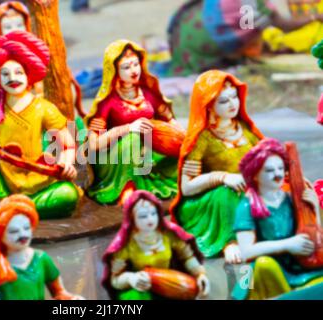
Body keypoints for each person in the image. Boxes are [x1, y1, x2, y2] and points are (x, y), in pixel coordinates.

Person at [0, 30, 80, 222]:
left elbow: (68, 145)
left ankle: (9, 212)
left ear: (29, 74)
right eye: (5, 74)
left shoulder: (43, 108)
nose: (13, 78)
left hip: (40, 183)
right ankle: (1, 203)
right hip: (6, 186)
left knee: (68, 194)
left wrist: (67, 162)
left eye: (18, 72)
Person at [169, 70, 263, 263]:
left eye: (234, 97)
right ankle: (230, 241)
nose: (232, 104)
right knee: (227, 191)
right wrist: (222, 177)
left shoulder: (245, 130)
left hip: (247, 193)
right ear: (209, 105)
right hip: (211, 204)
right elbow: (187, 188)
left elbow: (266, 157)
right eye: (223, 101)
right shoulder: (202, 139)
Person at [85, 40, 185, 205]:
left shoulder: (149, 93)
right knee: (133, 138)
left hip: (149, 154)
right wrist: (128, 128)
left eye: (136, 64)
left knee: (184, 150)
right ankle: (127, 188)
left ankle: (156, 180)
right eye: (126, 67)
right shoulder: (107, 102)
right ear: (115, 71)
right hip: (116, 160)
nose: (133, 71)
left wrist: (185, 139)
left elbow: (169, 121)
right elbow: (94, 144)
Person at [232, 138, 323, 300]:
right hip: (266, 267)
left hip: (296, 266)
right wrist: (288, 245)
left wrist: (314, 208)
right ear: (255, 175)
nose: (278, 174)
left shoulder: (290, 200)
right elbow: (246, 252)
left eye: (281, 168)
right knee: (264, 265)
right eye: (269, 170)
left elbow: (315, 239)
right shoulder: (247, 206)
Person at [102, 190, 210, 300]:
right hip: (143, 287)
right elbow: (115, 280)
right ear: (132, 218)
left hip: (169, 284)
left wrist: (200, 274)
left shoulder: (168, 234)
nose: (150, 219)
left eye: (153, 213)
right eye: (143, 216)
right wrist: (130, 278)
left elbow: (187, 257)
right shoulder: (126, 243)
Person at [168, 0, 323, 75]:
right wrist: (315, 17)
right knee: (253, 29)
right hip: (202, 46)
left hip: (181, 40)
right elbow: (284, 26)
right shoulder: (255, 4)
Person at [0, 194, 84, 300]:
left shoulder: (42, 259)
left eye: (26, 228)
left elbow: (59, 292)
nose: (23, 235)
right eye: (14, 231)